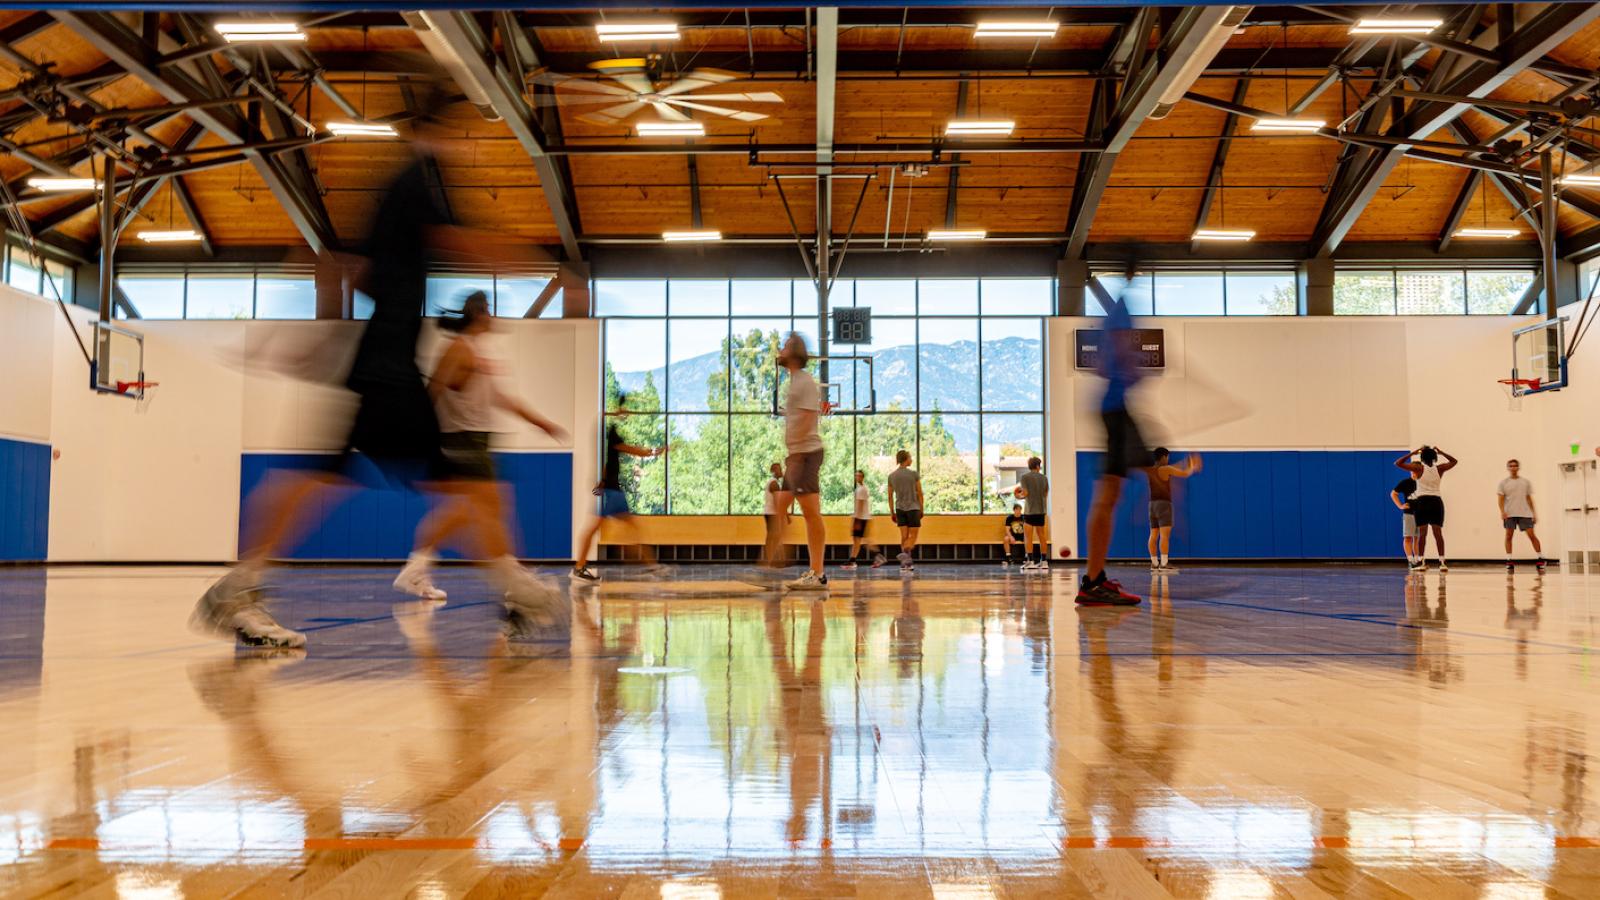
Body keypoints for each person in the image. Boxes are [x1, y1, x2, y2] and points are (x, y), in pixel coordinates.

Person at [190, 103, 568, 649]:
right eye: (456, 132)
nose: (464, 144)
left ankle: (238, 588)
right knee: (463, 488)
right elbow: (448, 240)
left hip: (380, 363)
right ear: (428, 131)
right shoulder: (415, 181)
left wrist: (314, 337)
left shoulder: (393, 190)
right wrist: (521, 254)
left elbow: (359, 269)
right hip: (388, 368)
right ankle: (520, 593)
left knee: (324, 476)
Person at [393, 292, 568, 599]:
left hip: (477, 440)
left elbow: (500, 397)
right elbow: (432, 390)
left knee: (463, 511)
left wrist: (539, 421)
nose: (492, 315)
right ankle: (513, 580)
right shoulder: (459, 349)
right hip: (461, 438)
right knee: (494, 505)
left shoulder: (477, 351)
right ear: (476, 314)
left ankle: (416, 569)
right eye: (487, 310)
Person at [1078, 298, 1147, 606]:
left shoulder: (1118, 310)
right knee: (1108, 494)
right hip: (1116, 410)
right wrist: (1133, 370)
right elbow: (1112, 362)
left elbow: (1104, 366)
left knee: (1110, 493)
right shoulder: (1121, 310)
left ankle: (1095, 579)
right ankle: (1093, 582)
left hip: (1116, 408)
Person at [572, 392, 668, 582]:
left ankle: (651, 566)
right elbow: (630, 449)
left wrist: (601, 482)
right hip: (610, 493)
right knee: (595, 529)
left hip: (613, 491)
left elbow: (609, 464)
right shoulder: (613, 435)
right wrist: (653, 451)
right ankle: (579, 567)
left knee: (632, 528)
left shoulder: (611, 438)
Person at [764, 334, 830, 591]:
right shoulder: (796, 381)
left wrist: (797, 458)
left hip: (805, 454)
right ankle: (779, 564)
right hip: (799, 455)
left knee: (807, 513)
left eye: (783, 346)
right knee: (784, 506)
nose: (779, 350)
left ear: (792, 352)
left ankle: (817, 573)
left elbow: (808, 418)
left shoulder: (804, 382)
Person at [1395, 445, 1458, 571]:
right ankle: (1442, 562)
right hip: (1436, 501)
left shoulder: (1418, 468)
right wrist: (1441, 452)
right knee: (1438, 533)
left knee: (1422, 534)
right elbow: (1454, 461)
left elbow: (1398, 463)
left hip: (1422, 502)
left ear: (1422, 457)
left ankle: (1422, 562)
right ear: (1434, 457)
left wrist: (1413, 453)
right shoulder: (1439, 469)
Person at [1144, 447, 1201, 573]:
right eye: (1168, 457)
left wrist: (1186, 461)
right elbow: (1184, 474)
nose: (1168, 459)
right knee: (1165, 536)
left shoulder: (1151, 470)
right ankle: (1164, 565)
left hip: (1152, 505)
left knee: (1153, 535)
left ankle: (1154, 564)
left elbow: (1173, 467)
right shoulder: (1166, 469)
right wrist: (1192, 467)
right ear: (1164, 457)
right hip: (1164, 504)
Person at [1498, 459, 1546, 572]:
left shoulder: (1525, 482)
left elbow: (1529, 498)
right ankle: (1509, 560)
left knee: (1531, 535)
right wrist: (1502, 512)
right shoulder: (1503, 483)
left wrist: (1534, 513)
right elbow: (1500, 499)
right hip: (1510, 514)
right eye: (1511, 466)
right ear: (1508, 468)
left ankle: (1540, 558)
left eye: (1515, 466)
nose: (1513, 468)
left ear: (1518, 468)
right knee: (1509, 536)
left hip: (1525, 513)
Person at [886, 449, 923, 573]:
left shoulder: (892, 476)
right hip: (913, 508)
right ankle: (905, 553)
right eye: (910, 457)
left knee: (904, 536)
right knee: (913, 536)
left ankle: (905, 563)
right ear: (906, 459)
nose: (911, 459)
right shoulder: (914, 474)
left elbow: (890, 496)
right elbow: (920, 493)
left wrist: (892, 512)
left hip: (899, 508)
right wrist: (922, 508)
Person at [842, 469, 886, 571]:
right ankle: (852, 561)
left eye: (859, 476)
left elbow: (860, 505)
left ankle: (879, 557)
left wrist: (856, 519)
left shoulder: (861, 489)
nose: (857, 477)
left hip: (861, 518)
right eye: (856, 475)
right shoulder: (862, 488)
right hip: (862, 518)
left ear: (862, 477)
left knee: (862, 541)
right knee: (859, 541)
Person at [1016, 456, 1051, 571]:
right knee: (1042, 536)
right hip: (1041, 511)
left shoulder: (1024, 477)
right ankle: (1044, 561)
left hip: (1030, 511)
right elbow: (1045, 494)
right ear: (1037, 466)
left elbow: (1025, 493)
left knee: (1028, 537)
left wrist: (1018, 496)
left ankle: (1030, 561)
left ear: (1030, 466)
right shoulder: (1044, 478)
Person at [761, 461, 788, 568]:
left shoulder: (773, 482)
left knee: (773, 536)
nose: (781, 471)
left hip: (770, 513)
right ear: (773, 471)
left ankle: (771, 560)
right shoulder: (774, 483)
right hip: (772, 514)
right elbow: (778, 502)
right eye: (778, 469)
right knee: (774, 536)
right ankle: (772, 560)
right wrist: (782, 515)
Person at [1391, 469, 1418, 569]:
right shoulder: (1405, 482)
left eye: (1416, 470)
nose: (1414, 473)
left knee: (1417, 538)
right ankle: (1410, 560)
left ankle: (1417, 560)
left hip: (1420, 514)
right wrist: (1400, 506)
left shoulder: (1423, 483)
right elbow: (1393, 494)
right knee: (1408, 537)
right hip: (1409, 514)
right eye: (1413, 471)